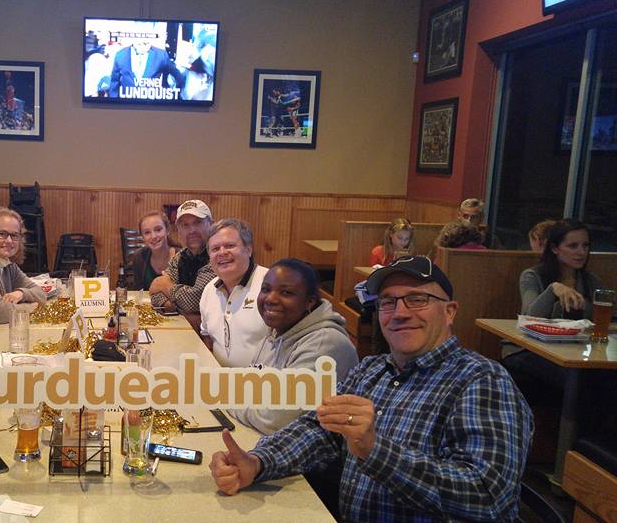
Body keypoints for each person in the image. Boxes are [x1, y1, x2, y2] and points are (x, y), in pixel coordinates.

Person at [209, 255, 533, 521]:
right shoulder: (372, 370)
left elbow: (488, 497)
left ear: (450, 312)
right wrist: (258, 462)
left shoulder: (482, 381)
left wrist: (374, 450)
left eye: (418, 299)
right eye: (389, 302)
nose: (400, 313)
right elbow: (318, 431)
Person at [229, 258, 359, 435]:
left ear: (310, 301)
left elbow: (275, 420)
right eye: (266, 289)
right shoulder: (278, 329)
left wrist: (227, 401)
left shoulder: (326, 345)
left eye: (286, 293)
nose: (270, 299)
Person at [199, 219, 270, 367]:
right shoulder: (209, 290)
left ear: (248, 250)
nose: (222, 253)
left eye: (230, 246)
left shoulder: (270, 285)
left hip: (264, 385)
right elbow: (207, 338)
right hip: (221, 383)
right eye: (215, 249)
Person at [519, 219, 601, 321]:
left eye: (585, 245)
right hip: (536, 336)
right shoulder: (532, 275)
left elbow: (603, 318)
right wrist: (552, 290)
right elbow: (527, 317)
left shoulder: (591, 280)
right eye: (573, 246)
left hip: (578, 336)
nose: (582, 252)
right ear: (554, 248)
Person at [149, 199, 216, 315]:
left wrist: (165, 285)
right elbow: (155, 294)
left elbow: (194, 301)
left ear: (211, 224)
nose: (192, 230)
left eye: (198, 222)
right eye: (185, 225)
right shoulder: (180, 257)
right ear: (179, 230)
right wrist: (173, 306)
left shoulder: (217, 255)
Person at [109, 38, 184, 98]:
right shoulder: (121, 54)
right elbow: (114, 82)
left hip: (151, 107)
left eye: (145, 43)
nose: (142, 46)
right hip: (126, 107)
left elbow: (178, 77)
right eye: (139, 43)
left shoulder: (161, 55)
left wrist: (171, 95)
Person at [126, 210, 179, 291]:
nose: (153, 236)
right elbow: (137, 291)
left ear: (167, 230)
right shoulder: (139, 257)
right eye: (147, 232)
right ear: (142, 237)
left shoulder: (182, 257)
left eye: (158, 230)